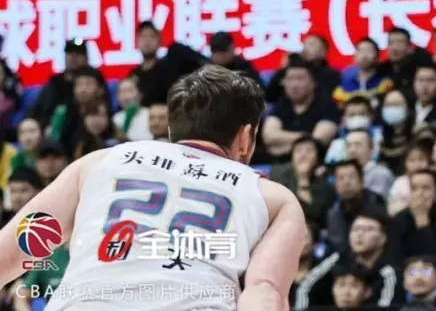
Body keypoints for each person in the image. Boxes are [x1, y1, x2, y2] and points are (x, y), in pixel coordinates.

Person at [0, 65, 306, 310]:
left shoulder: (100, 162)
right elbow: (264, 291)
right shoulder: (273, 198)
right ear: (246, 136)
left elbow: (12, 251)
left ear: (171, 128)